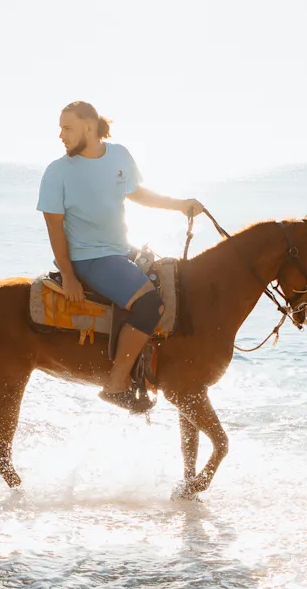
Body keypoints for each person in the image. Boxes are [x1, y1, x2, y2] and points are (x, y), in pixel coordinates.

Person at [37, 101, 204, 413]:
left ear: (89, 126)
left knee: (177, 283)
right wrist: (70, 275)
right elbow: (54, 227)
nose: (61, 134)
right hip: (90, 259)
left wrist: (180, 205)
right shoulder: (57, 172)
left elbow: (136, 192)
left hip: (121, 249)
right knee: (151, 304)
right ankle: (115, 384)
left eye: (67, 127)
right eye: (61, 128)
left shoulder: (119, 155)